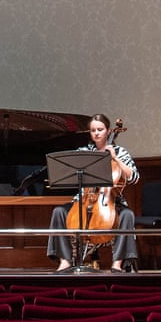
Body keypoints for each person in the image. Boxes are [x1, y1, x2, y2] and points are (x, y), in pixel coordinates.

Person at [47, 114, 139, 272]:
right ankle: (65, 261)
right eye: (93, 130)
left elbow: (133, 177)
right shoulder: (83, 152)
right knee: (59, 212)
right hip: (84, 199)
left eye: (100, 129)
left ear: (109, 131)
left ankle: (117, 264)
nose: (96, 133)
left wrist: (115, 159)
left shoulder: (120, 152)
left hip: (110, 200)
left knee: (127, 215)